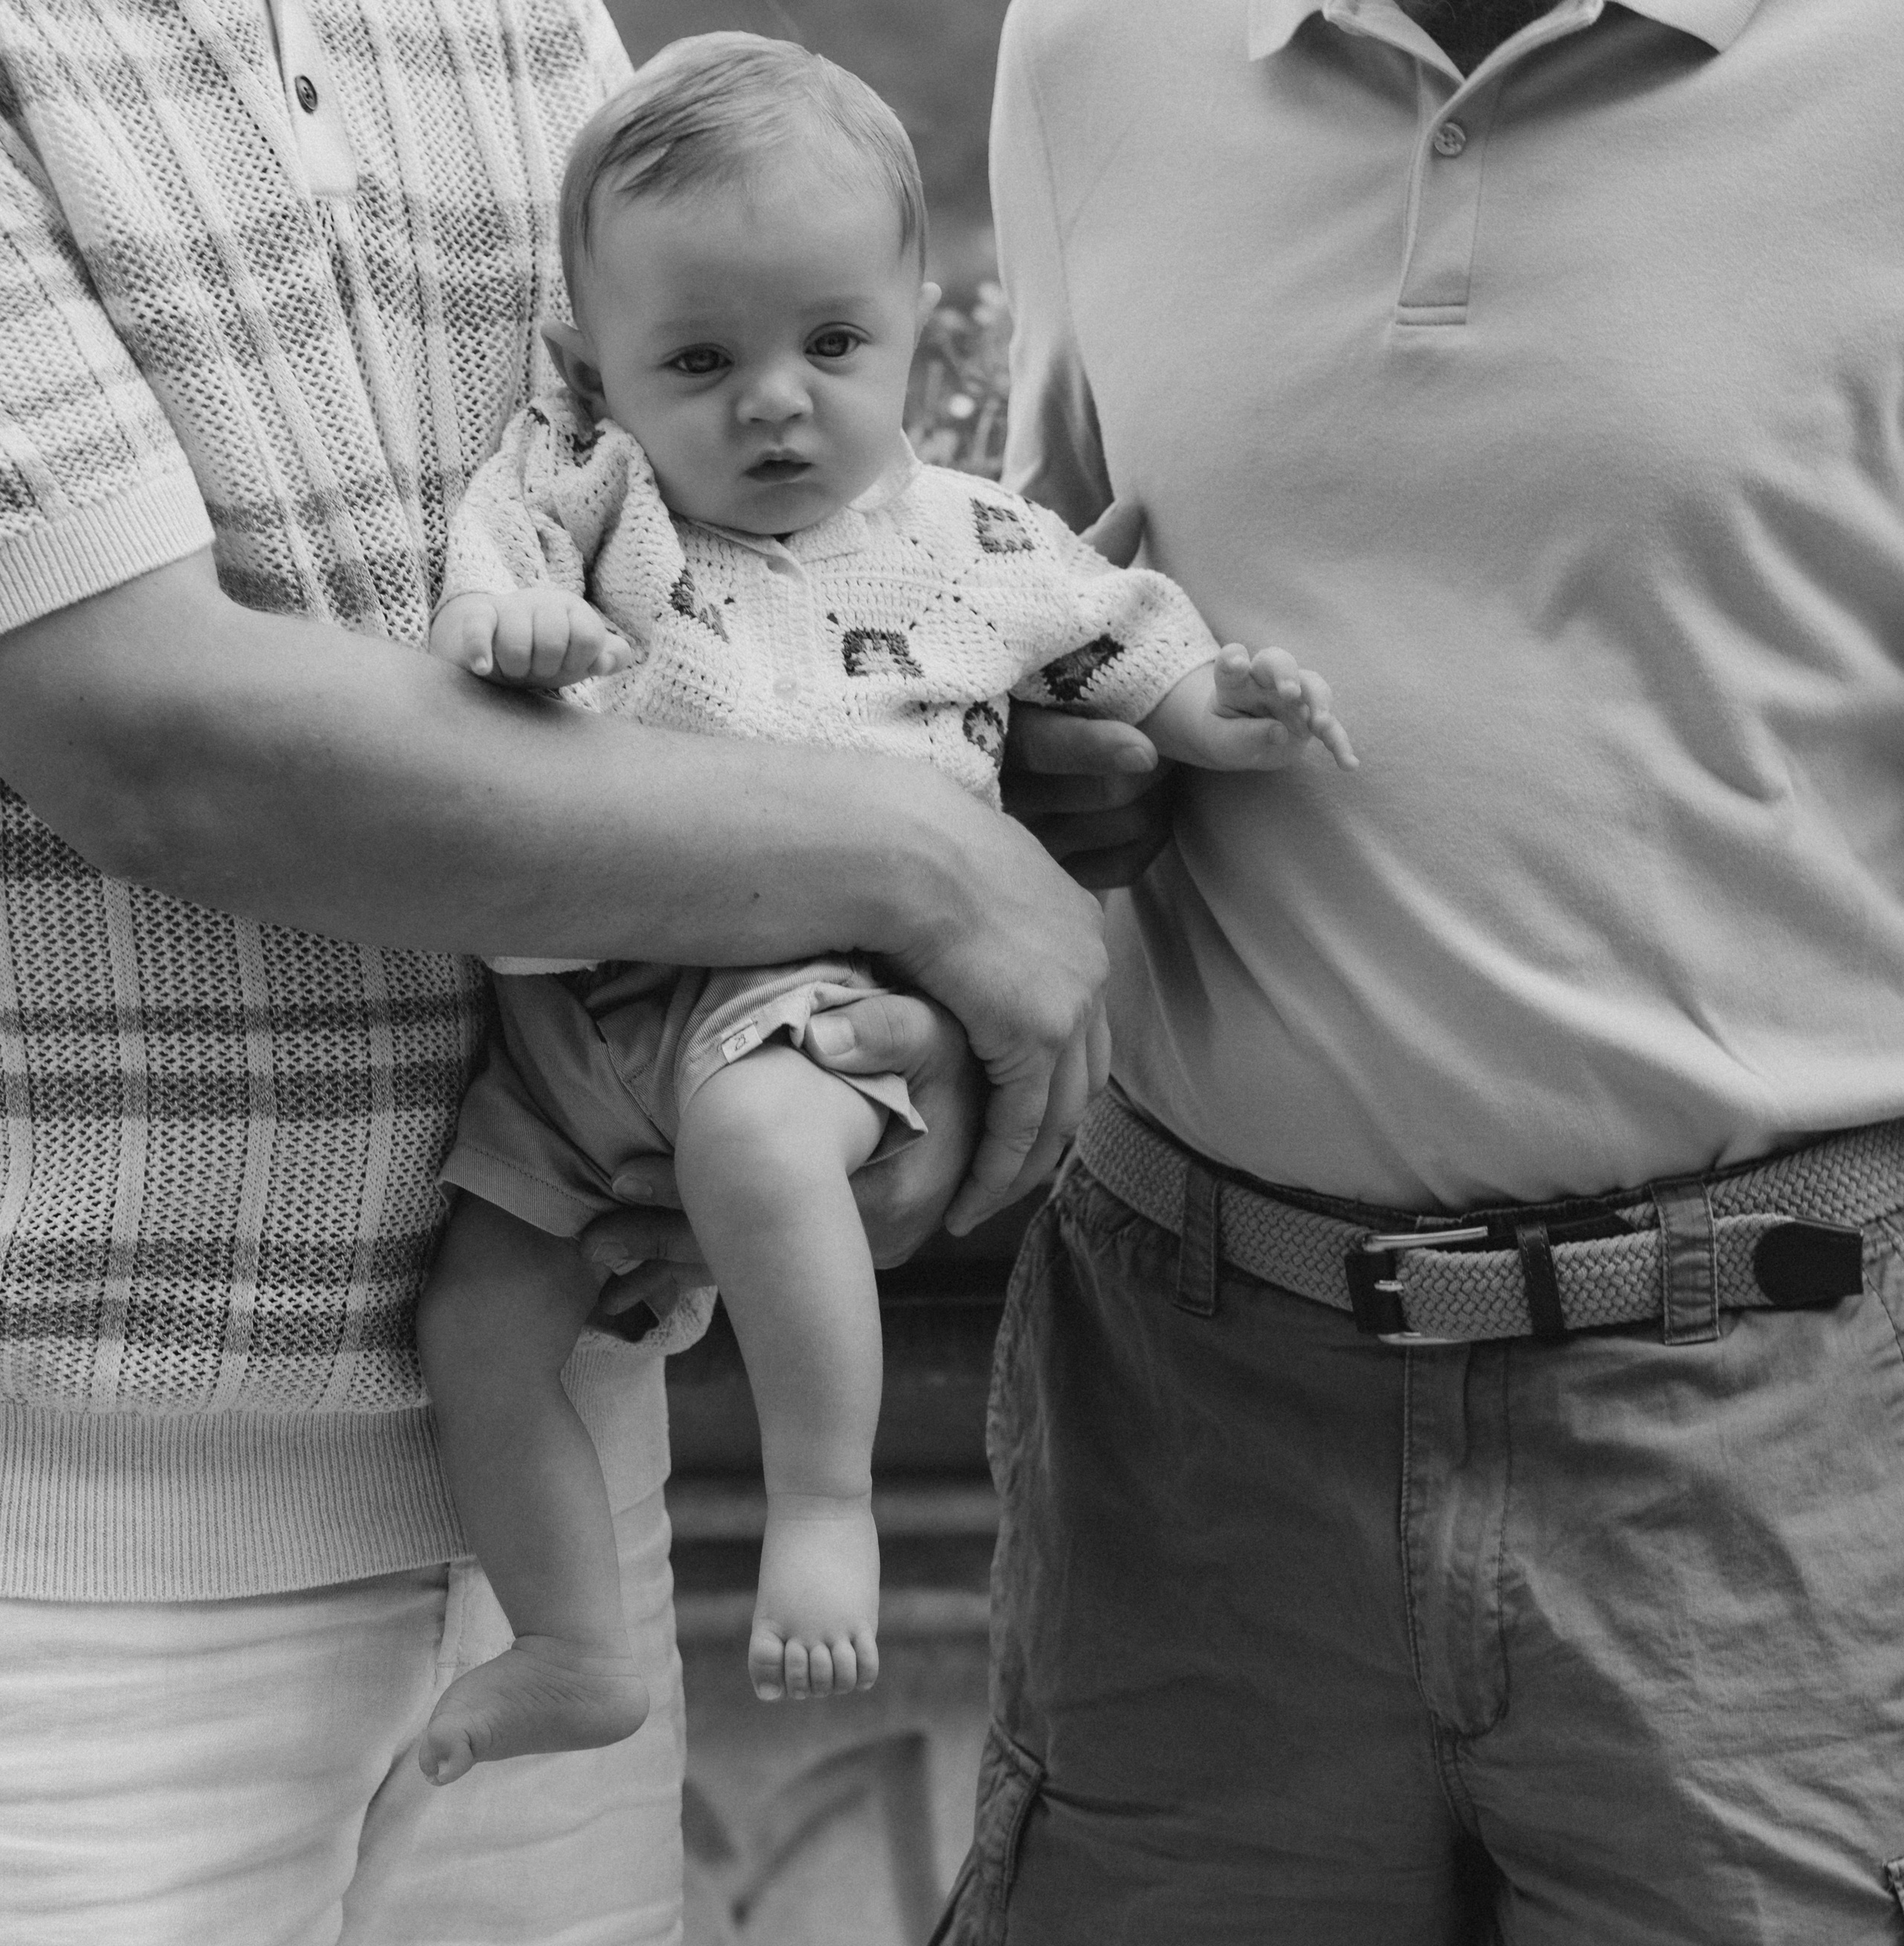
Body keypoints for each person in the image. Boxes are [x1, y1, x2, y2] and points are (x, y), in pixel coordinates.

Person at [0, 4, 1113, 1940]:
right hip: (84, 1579)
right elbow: (149, 742)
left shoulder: (518, 20)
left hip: (570, 1456)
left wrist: (874, 1030)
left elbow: (741, 590)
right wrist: (924, 866)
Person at [937, 1, 1904, 1942]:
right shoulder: (1088, 46)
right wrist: (1051, 762)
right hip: (1190, 1439)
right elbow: (1025, 614)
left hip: (1771, 1456)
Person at [410, 31, 1356, 1784]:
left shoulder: (967, 540)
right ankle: (572, 1644)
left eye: (829, 346)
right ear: (596, 362)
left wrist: (1235, 710)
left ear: (914, 326)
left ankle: (822, 1504)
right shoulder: (585, 498)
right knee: (477, 1313)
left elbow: (1128, 654)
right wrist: (509, 630)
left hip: (804, 997)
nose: (773, 402)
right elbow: (492, 602)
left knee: (763, 1143)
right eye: (699, 360)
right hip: (578, 1021)